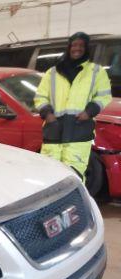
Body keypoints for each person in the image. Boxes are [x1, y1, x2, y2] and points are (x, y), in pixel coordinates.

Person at [33, 32, 112, 180]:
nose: (77, 48)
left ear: (86, 48)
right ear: (69, 47)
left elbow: (104, 95)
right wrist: (48, 115)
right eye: (74, 45)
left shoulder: (96, 71)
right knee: (49, 173)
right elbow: (40, 96)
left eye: (81, 45)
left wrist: (89, 112)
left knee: (74, 174)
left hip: (79, 130)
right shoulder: (53, 72)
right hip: (54, 129)